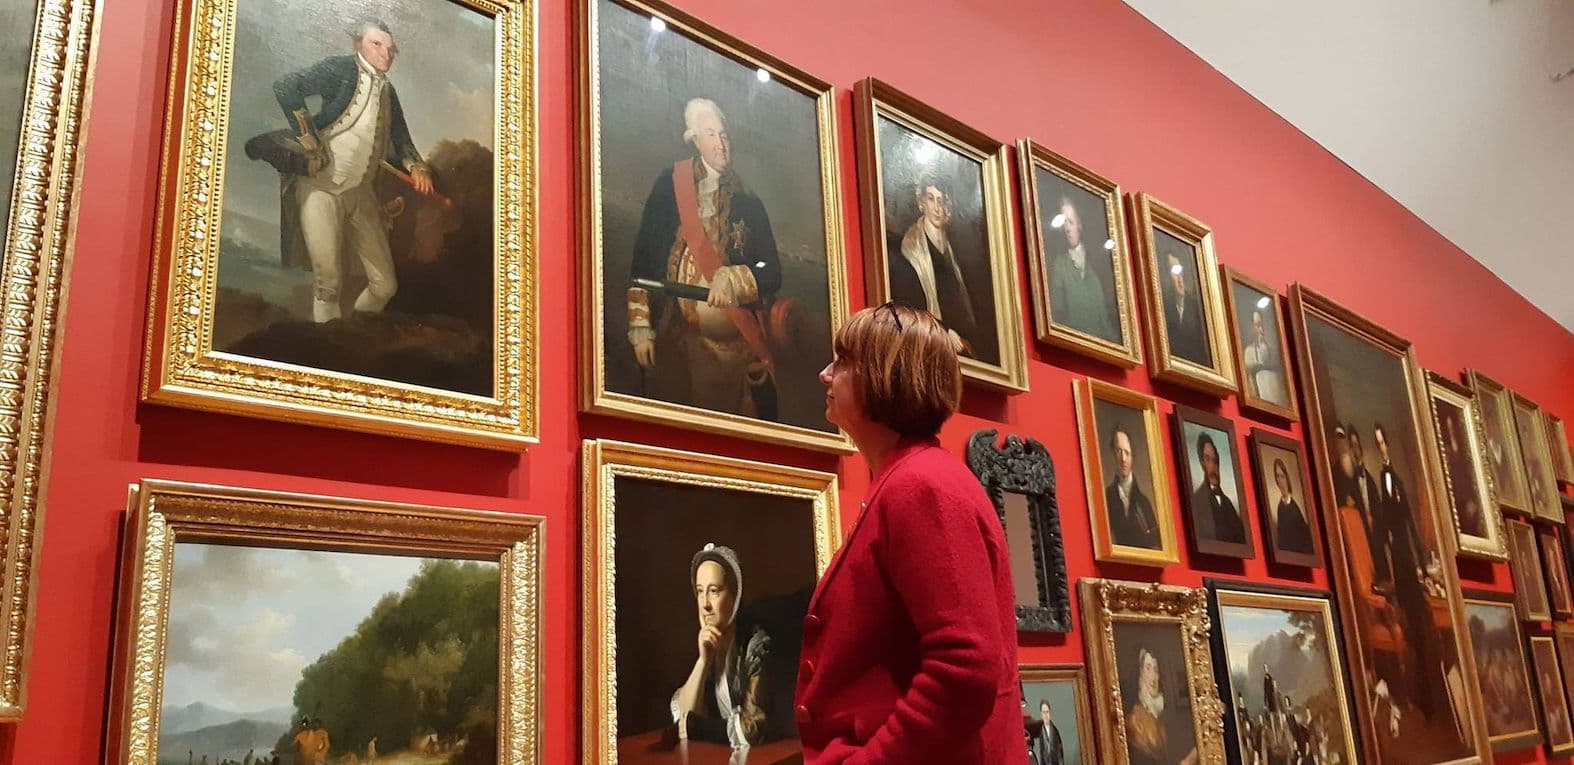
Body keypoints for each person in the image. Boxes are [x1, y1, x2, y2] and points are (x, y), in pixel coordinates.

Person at [797, 303, 1024, 764]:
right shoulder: (907, 480)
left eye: (841, 362)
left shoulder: (924, 486)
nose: (825, 374)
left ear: (885, 375)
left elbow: (965, 667)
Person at [250, 18, 431, 323]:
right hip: (320, 187)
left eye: (391, 49)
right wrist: (308, 136)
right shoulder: (340, 69)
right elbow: (286, 86)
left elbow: (401, 139)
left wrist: (416, 166)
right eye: (377, 45)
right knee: (328, 284)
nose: (386, 54)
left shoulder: (388, 91)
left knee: (385, 285)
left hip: (361, 194)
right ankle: (327, 349)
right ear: (358, 44)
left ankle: (352, 334)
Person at [627, 97, 782, 420]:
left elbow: (771, 271)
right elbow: (646, 257)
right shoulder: (669, 186)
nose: (721, 144)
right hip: (679, 341)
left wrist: (734, 277)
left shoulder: (748, 200)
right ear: (694, 139)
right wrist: (641, 326)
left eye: (724, 134)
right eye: (711, 134)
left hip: (737, 349)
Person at [669, 543, 777, 748]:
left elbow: (753, 728)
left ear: (734, 597)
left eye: (714, 591)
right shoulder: (708, 647)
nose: (705, 604)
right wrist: (703, 661)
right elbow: (682, 719)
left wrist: (701, 729)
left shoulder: (757, 645)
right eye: (700, 592)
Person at [887, 173, 979, 355]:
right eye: (931, 199)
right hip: (925, 346)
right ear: (922, 203)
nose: (937, 208)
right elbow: (908, 311)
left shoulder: (956, 254)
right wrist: (945, 333)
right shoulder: (909, 249)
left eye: (941, 200)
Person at [1046, 196, 1117, 342]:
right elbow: (1056, 315)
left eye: (1070, 222)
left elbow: (1105, 318)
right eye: (1064, 223)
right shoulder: (1059, 265)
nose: (1067, 228)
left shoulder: (1096, 262)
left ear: (1079, 225)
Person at [1125, 647, 1198, 765]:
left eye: (1156, 670)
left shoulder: (1162, 716)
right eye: (1148, 668)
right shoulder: (1134, 720)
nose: (1153, 677)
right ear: (1140, 674)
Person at [1105, 425, 1161, 549]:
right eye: (1118, 451)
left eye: (1127, 452)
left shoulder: (1144, 502)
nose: (1123, 459)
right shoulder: (1106, 497)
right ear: (1113, 454)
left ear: (1132, 456)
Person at [1190, 432, 1245, 544]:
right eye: (1207, 459)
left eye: (1215, 461)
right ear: (1202, 463)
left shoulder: (1227, 502)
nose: (1213, 466)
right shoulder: (1197, 501)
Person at [1161, 251, 1209, 364]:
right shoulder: (1162, 307)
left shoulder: (1198, 308)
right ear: (1166, 277)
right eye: (1174, 272)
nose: (1179, 278)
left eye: (1180, 272)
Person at [1241, 310, 1285, 404]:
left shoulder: (1271, 349)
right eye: (1257, 325)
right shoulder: (1248, 350)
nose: (1260, 329)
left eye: (1261, 325)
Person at [1272, 458, 1314, 555]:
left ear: (1286, 477)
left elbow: (1304, 535)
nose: (1280, 480)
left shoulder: (1295, 505)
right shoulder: (1280, 507)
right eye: (1277, 476)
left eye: (1282, 476)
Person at [1032, 699, 1064, 765]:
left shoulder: (1055, 731)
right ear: (1041, 714)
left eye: (1047, 712)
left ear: (1050, 713)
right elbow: (1040, 754)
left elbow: (1060, 753)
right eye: (1044, 712)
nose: (1046, 715)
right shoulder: (1040, 733)